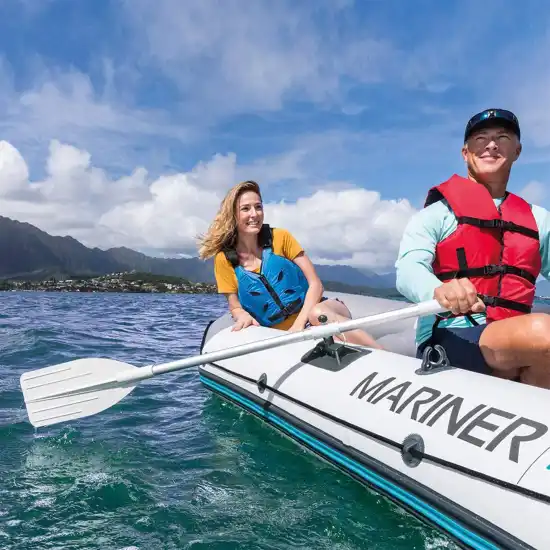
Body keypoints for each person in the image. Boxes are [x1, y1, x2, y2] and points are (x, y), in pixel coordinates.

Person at [395, 108, 550, 388]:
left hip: (514, 340)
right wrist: (438, 289)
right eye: (481, 138)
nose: (491, 144)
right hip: (452, 336)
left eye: (502, 137)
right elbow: (408, 269)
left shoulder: (540, 220)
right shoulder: (437, 214)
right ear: (465, 152)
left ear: (517, 151)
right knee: (543, 331)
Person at [198, 180, 381, 348]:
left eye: (258, 207)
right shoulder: (225, 259)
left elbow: (316, 285)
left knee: (317, 314)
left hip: (320, 312)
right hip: (282, 333)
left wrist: (299, 325)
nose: (254, 214)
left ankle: (382, 354)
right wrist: (241, 314)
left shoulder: (281, 237)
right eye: (245, 209)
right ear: (233, 215)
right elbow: (234, 305)